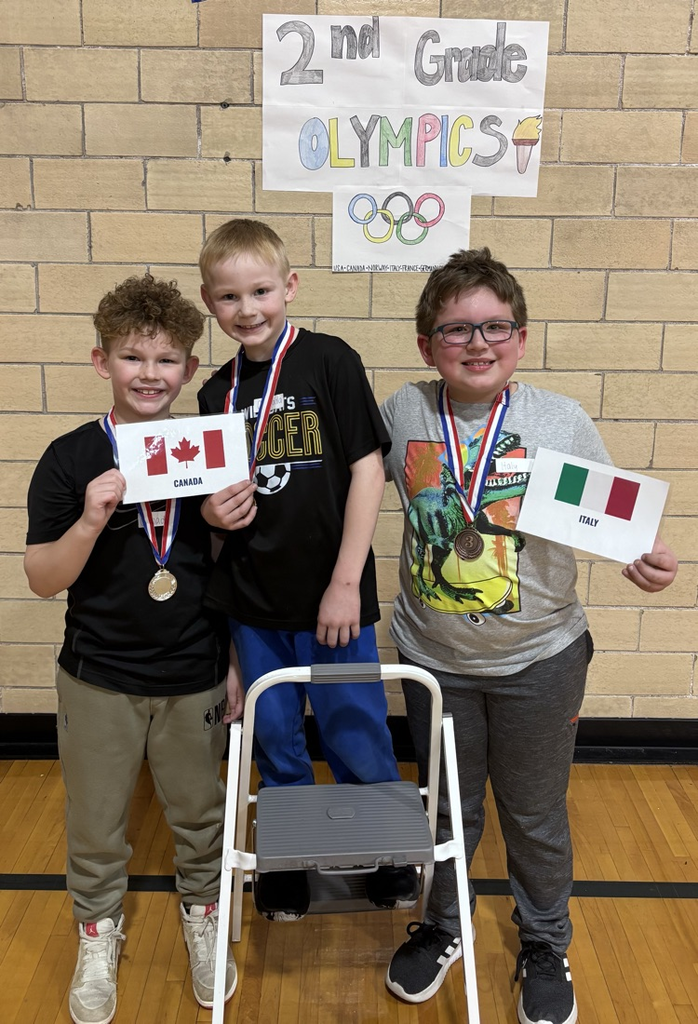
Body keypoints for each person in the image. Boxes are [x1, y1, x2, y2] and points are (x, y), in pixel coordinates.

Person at [380, 248, 678, 1024]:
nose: (478, 344)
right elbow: (337, 496)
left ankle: (544, 940)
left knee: (534, 811)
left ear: (520, 337)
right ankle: (443, 925)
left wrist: (643, 560)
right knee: (447, 810)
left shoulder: (558, 419)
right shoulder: (403, 412)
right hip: (431, 659)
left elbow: (616, 525)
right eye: (456, 331)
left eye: (495, 328)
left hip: (540, 658)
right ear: (425, 345)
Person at [24, 274, 238, 1024]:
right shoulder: (69, 456)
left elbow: (231, 573)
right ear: (100, 362)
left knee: (200, 813)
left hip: (194, 671)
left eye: (168, 359)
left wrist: (220, 522)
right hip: (98, 676)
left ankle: (204, 920)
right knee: (95, 822)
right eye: (132, 357)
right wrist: (88, 520)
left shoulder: (210, 449)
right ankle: (97, 932)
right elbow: (42, 579)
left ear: (188, 367)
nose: (150, 374)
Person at [197, 218, 419, 920]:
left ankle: (384, 851)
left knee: (356, 731)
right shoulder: (215, 395)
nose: (248, 308)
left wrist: (347, 580)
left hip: (334, 598)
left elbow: (366, 471)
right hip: (254, 604)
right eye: (230, 297)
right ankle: (287, 859)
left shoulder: (329, 360)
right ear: (211, 304)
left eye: (261, 290)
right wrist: (210, 516)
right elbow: (211, 513)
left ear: (289, 287)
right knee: (278, 740)